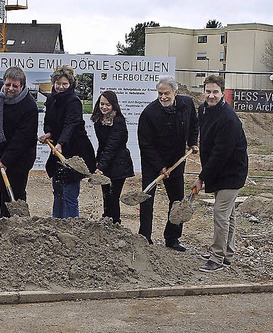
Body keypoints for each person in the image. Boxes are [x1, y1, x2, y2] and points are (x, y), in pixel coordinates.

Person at [193, 75, 248, 272]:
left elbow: (220, 154)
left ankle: (216, 258)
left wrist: (201, 178)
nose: (211, 95)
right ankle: (227, 254)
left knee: (220, 213)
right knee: (228, 215)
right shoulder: (204, 109)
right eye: (208, 91)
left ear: (222, 92)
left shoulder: (228, 119)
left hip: (232, 172)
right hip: (218, 170)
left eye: (215, 92)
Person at [137, 76, 199, 250]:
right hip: (153, 161)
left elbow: (195, 124)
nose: (163, 97)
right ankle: (145, 237)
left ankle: (172, 238)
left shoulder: (186, 104)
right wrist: (159, 167)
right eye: (160, 93)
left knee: (177, 200)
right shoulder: (149, 113)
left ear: (175, 93)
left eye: (166, 93)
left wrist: (193, 141)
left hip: (176, 160)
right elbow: (145, 144)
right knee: (147, 199)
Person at [38, 65, 96, 218]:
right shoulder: (51, 99)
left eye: (64, 84)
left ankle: (71, 227)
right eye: (58, 83)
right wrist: (49, 133)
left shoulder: (74, 101)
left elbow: (71, 124)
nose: (61, 87)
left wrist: (60, 143)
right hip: (58, 151)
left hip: (74, 150)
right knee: (58, 191)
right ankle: (56, 222)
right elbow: (49, 121)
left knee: (69, 194)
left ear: (70, 84)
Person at [0, 67, 38, 218]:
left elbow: (22, 139)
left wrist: (6, 161)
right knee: (3, 188)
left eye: (15, 86)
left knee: (16, 190)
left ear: (22, 86)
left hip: (20, 157)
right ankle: (4, 217)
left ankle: (20, 220)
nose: (10, 88)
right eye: (8, 84)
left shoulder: (29, 106)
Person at [90, 91, 134, 224]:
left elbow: (111, 146)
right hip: (106, 164)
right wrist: (97, 163)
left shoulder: (118, 122)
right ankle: (106, 219)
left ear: (113, 105)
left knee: (113, 196)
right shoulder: (99, 121)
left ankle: (115, 223)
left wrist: (101, 167)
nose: (104, 107)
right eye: (102, 104)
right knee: (105, 195)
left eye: (107, 105)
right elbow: (102, 145)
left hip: (119, 164)